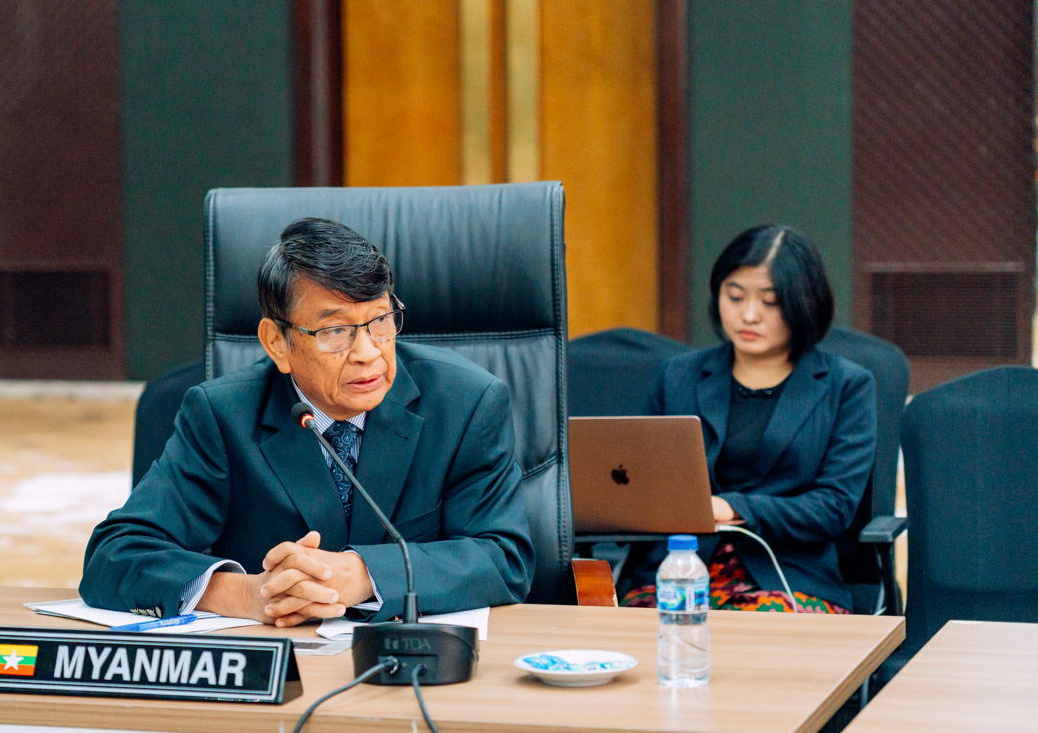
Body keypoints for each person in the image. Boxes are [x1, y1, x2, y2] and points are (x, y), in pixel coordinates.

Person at [81, 218, 534, 626]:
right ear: (277, 343)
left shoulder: (465, 403)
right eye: (335, 332)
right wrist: (249, 594)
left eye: (380, 321)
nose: (368, 352)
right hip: (278, 665)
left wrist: (366, 574)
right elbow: (115, 556)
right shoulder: (222, 416)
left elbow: (503, 556)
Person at [620, 225, 876, 613]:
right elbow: (639, 481)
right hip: (678, 567)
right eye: (735, 297)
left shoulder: (846, 386)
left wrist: (732, 507)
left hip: (787, 577)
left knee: (755, 635)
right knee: (628, 633)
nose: (749, 315)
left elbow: (834, 507)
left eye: (770, 302)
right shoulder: (679, 376)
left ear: (805, 304)